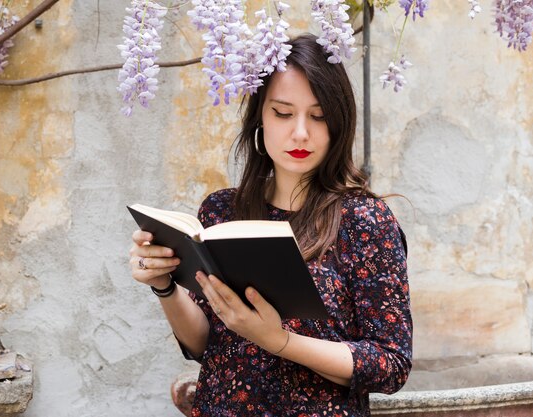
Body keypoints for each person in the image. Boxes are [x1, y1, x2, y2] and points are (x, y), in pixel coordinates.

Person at [129, 33, 412, 417]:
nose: (300, 132)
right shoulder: (221, 211)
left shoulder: (364, 221)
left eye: (318, 116)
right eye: (282, 112)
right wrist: (163, 285)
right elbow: (203, 344)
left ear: (339, 123)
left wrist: (279, 341)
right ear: (260, 116)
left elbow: (390, 364)